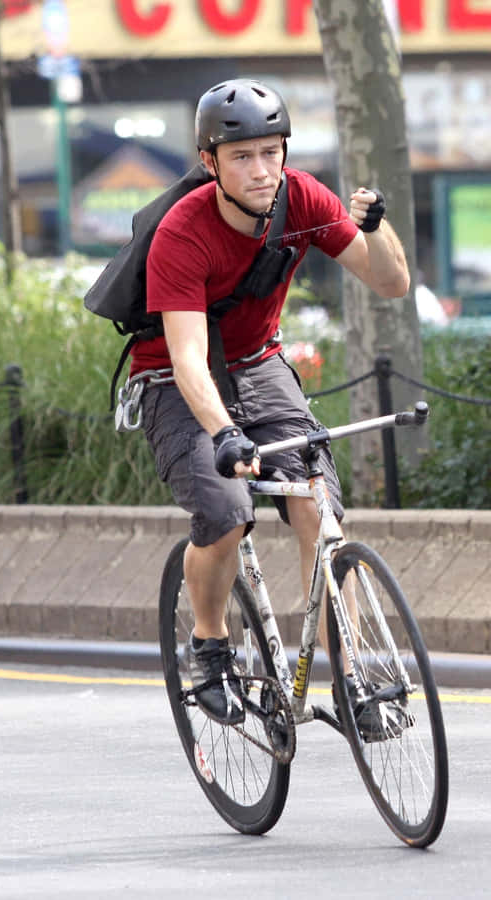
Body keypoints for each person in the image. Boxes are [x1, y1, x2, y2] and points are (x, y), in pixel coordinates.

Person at [131, 79, 410, 725]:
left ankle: (351, 680)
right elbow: (187, 359)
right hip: (174, 382)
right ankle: (210, 647)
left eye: (270, 152)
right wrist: (224, 434)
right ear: (210, 163)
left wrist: (375, 228)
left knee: (319, 510)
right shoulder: (182, 232)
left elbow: (391, 283)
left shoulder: (302, 196)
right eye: (241, 157)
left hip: (259, 365)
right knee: (227, 511)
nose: (261, 170)